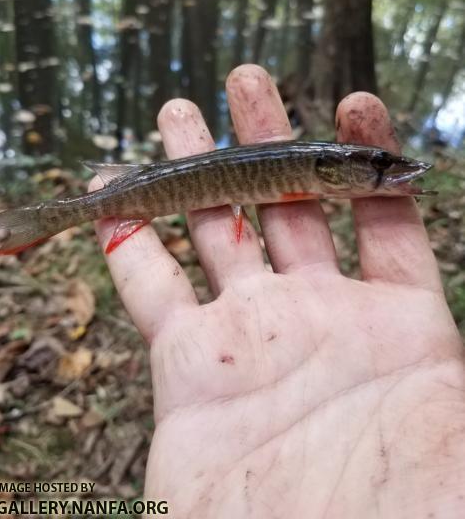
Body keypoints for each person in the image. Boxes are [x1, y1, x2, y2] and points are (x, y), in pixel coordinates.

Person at [90, 64, 465, 518]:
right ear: (330, 169)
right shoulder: (317, 170)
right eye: (381, 165)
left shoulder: (317, 173)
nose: (391, 169)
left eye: (382, 163)